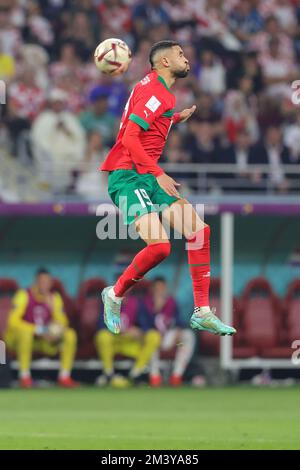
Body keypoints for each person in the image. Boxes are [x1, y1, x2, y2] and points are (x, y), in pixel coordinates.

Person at [99, 40, 236, 337]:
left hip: (144, 172)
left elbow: (145, 120)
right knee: (160, 247)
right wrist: (158, 173)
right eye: (180, 54)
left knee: (199, 231)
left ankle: (202, 311)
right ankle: (115, 294)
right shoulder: (155, 92)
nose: (186, 59)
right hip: (128, 175)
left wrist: (172, 118)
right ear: (163, 62)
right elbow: (131, 139)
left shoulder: (157, 91)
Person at [5, 268, 78, 389]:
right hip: (20, 340)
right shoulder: (24, 295)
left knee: (70, 334)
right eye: (41, 281)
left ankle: (64, 377)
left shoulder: (54, 298)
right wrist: (39, 330)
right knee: (25, 333)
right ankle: (24, 377)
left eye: (47, 282)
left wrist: (52, 308)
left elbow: (63, 323)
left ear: (50, 283)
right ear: (35, 282)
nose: (44, 285)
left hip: (45, 341)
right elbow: (13, 321)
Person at [95, 292, 160, 387]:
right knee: (102, 336)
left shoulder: (137, 303)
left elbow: (147, 325)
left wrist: (139, 330)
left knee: (154, 336)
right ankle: (108, 374)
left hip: (131, 343)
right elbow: (101, 325)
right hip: (114, 342)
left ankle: (136, 373)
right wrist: (119, 330)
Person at [139, 277, 196, 387]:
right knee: (151, 338)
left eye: (163, 288)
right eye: (158, 288)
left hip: (170, 338)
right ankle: (154, 377)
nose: (161, 291)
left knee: (188, 336)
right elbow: (143, 325)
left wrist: (179, 330)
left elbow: (178, 320)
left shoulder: (171, 302)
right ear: (152, 289)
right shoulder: (145, 303)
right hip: (153, 337)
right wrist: (156, 308)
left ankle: (176, 375)